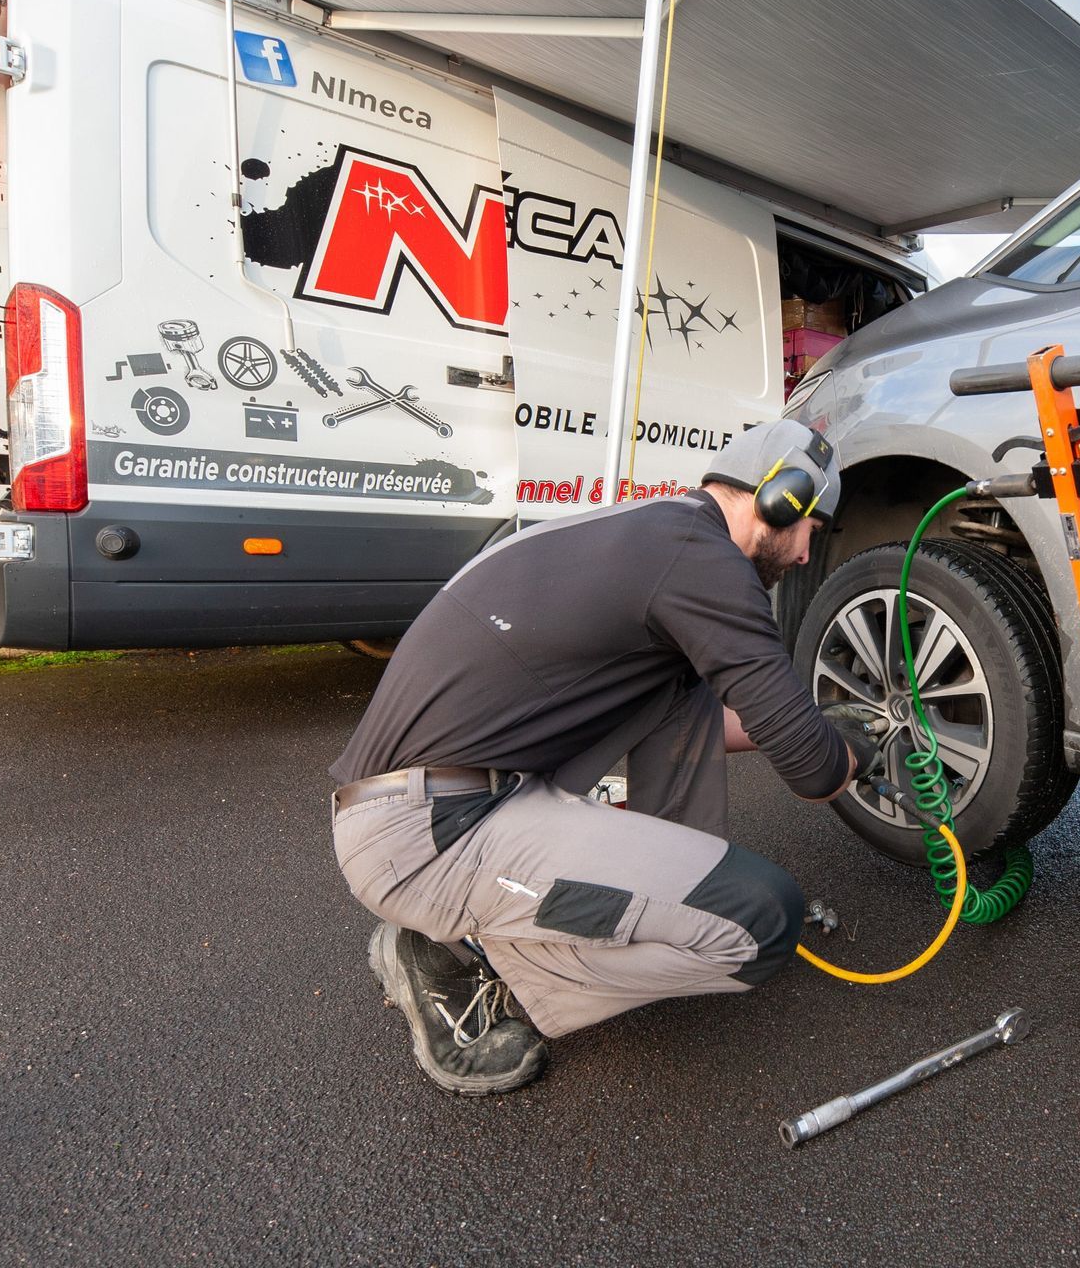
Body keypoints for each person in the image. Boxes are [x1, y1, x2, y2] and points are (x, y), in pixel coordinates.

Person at [327, 421, 882, 1095]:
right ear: (781, 500)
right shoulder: (705, 564)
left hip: (444, 798)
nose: (803, 557)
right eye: (811, 532)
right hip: (429, 837)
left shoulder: (655, 536)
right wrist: (845, 750)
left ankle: (618, 908)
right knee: (760, 922)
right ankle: (481, 978)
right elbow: (815, 773)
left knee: (680, 691)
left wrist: (810, 728)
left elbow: (724, 723)